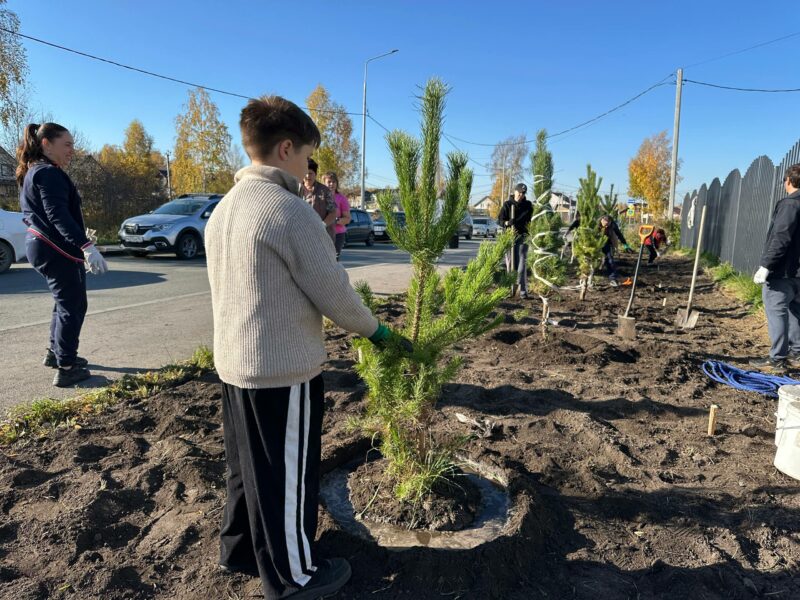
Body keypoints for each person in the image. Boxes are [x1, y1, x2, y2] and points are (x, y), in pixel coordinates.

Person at [205, 95, 411, 600]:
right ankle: (294, 577)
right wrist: (378, 333)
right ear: (286, 148)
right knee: (287, 477)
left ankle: (238, 549)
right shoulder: (288, 211)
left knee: (247, 469)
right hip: (281, 370)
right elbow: (333, 289)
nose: (306, 170)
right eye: (305, 157)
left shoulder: (223, 210)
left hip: (234, 366)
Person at [17, 122, 108, 387]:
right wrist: (86, 246)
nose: (71, 150)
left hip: (41, 245)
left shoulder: (35, 171)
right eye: (66, 144)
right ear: (47, 144)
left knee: (63, 302)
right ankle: (66, 367)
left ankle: (56, 353)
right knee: (73, 305)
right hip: (56, 249)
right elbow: (59, 216)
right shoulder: (49, 173)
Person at [750, 163, 800, 373]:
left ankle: (777, 359)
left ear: (788, 181)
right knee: (796, 311)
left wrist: (766, 266)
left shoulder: (790, 205)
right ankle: (797, 355)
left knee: (777, 311)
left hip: (784, 272)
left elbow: (781, 236)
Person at [498, 183, 534, 298]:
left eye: (523, 193)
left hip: (523, 235)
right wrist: (508, 223)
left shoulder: (528, 205)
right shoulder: (507, 205)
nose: (521, 195)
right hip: (510, 236)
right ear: (515, 191)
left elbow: (531, 219)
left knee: (522, 261)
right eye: (519, 192)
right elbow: (500, 221)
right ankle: (509, 289)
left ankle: (523, 291)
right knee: (511, 263)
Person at [300, 158, 336, 245]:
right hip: (301, 236)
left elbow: (333, 213)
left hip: (322, 237)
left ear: (315, 174)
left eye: (310, 173)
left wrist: (322, 225)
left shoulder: (325, 191)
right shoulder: (295, 189)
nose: (308, 176)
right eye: (306, 173)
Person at [322, 171, 351, 261]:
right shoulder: (319, 197)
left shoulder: (341, 198)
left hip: (337, 234)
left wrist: (335, 220)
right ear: (324, 183)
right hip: (321, 233)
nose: (331, 184)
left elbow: (347, 219)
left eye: (334, 182)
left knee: (333, 261)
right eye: (329, 182)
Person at [599, 214, 632, 287]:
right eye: (605, 224)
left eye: (608, 224)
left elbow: (619, 235)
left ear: (611, 222)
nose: (607, 226)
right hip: (596, 243)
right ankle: (589, 279)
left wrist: (625, 245)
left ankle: (613, 278)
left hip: (607, 243)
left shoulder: (613, 225)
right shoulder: (597, 224)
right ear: (602, 221)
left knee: (610, 260)